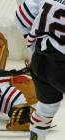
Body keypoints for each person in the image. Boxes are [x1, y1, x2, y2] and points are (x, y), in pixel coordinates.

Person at [15, 0, 65, 139]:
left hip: (40, 61)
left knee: (47, 106)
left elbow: (21, 15)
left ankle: (36, 136)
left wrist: (33, 46)